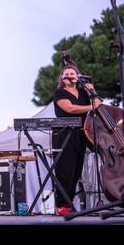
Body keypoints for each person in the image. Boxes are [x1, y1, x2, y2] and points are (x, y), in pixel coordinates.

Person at [52, 65, 102, 216]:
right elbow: (70, 109)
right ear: (62, 79)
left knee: (75, 172)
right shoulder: (60, 93)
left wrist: (91, 90)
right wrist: (91, 106)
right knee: (64, 172)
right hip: (64, 134)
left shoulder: (82, 92)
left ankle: (68, 203)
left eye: (72, 73)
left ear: (77, 77)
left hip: (81, 134)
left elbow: (99, 103)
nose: (69, 75)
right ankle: (60, 205)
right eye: (66, 73)